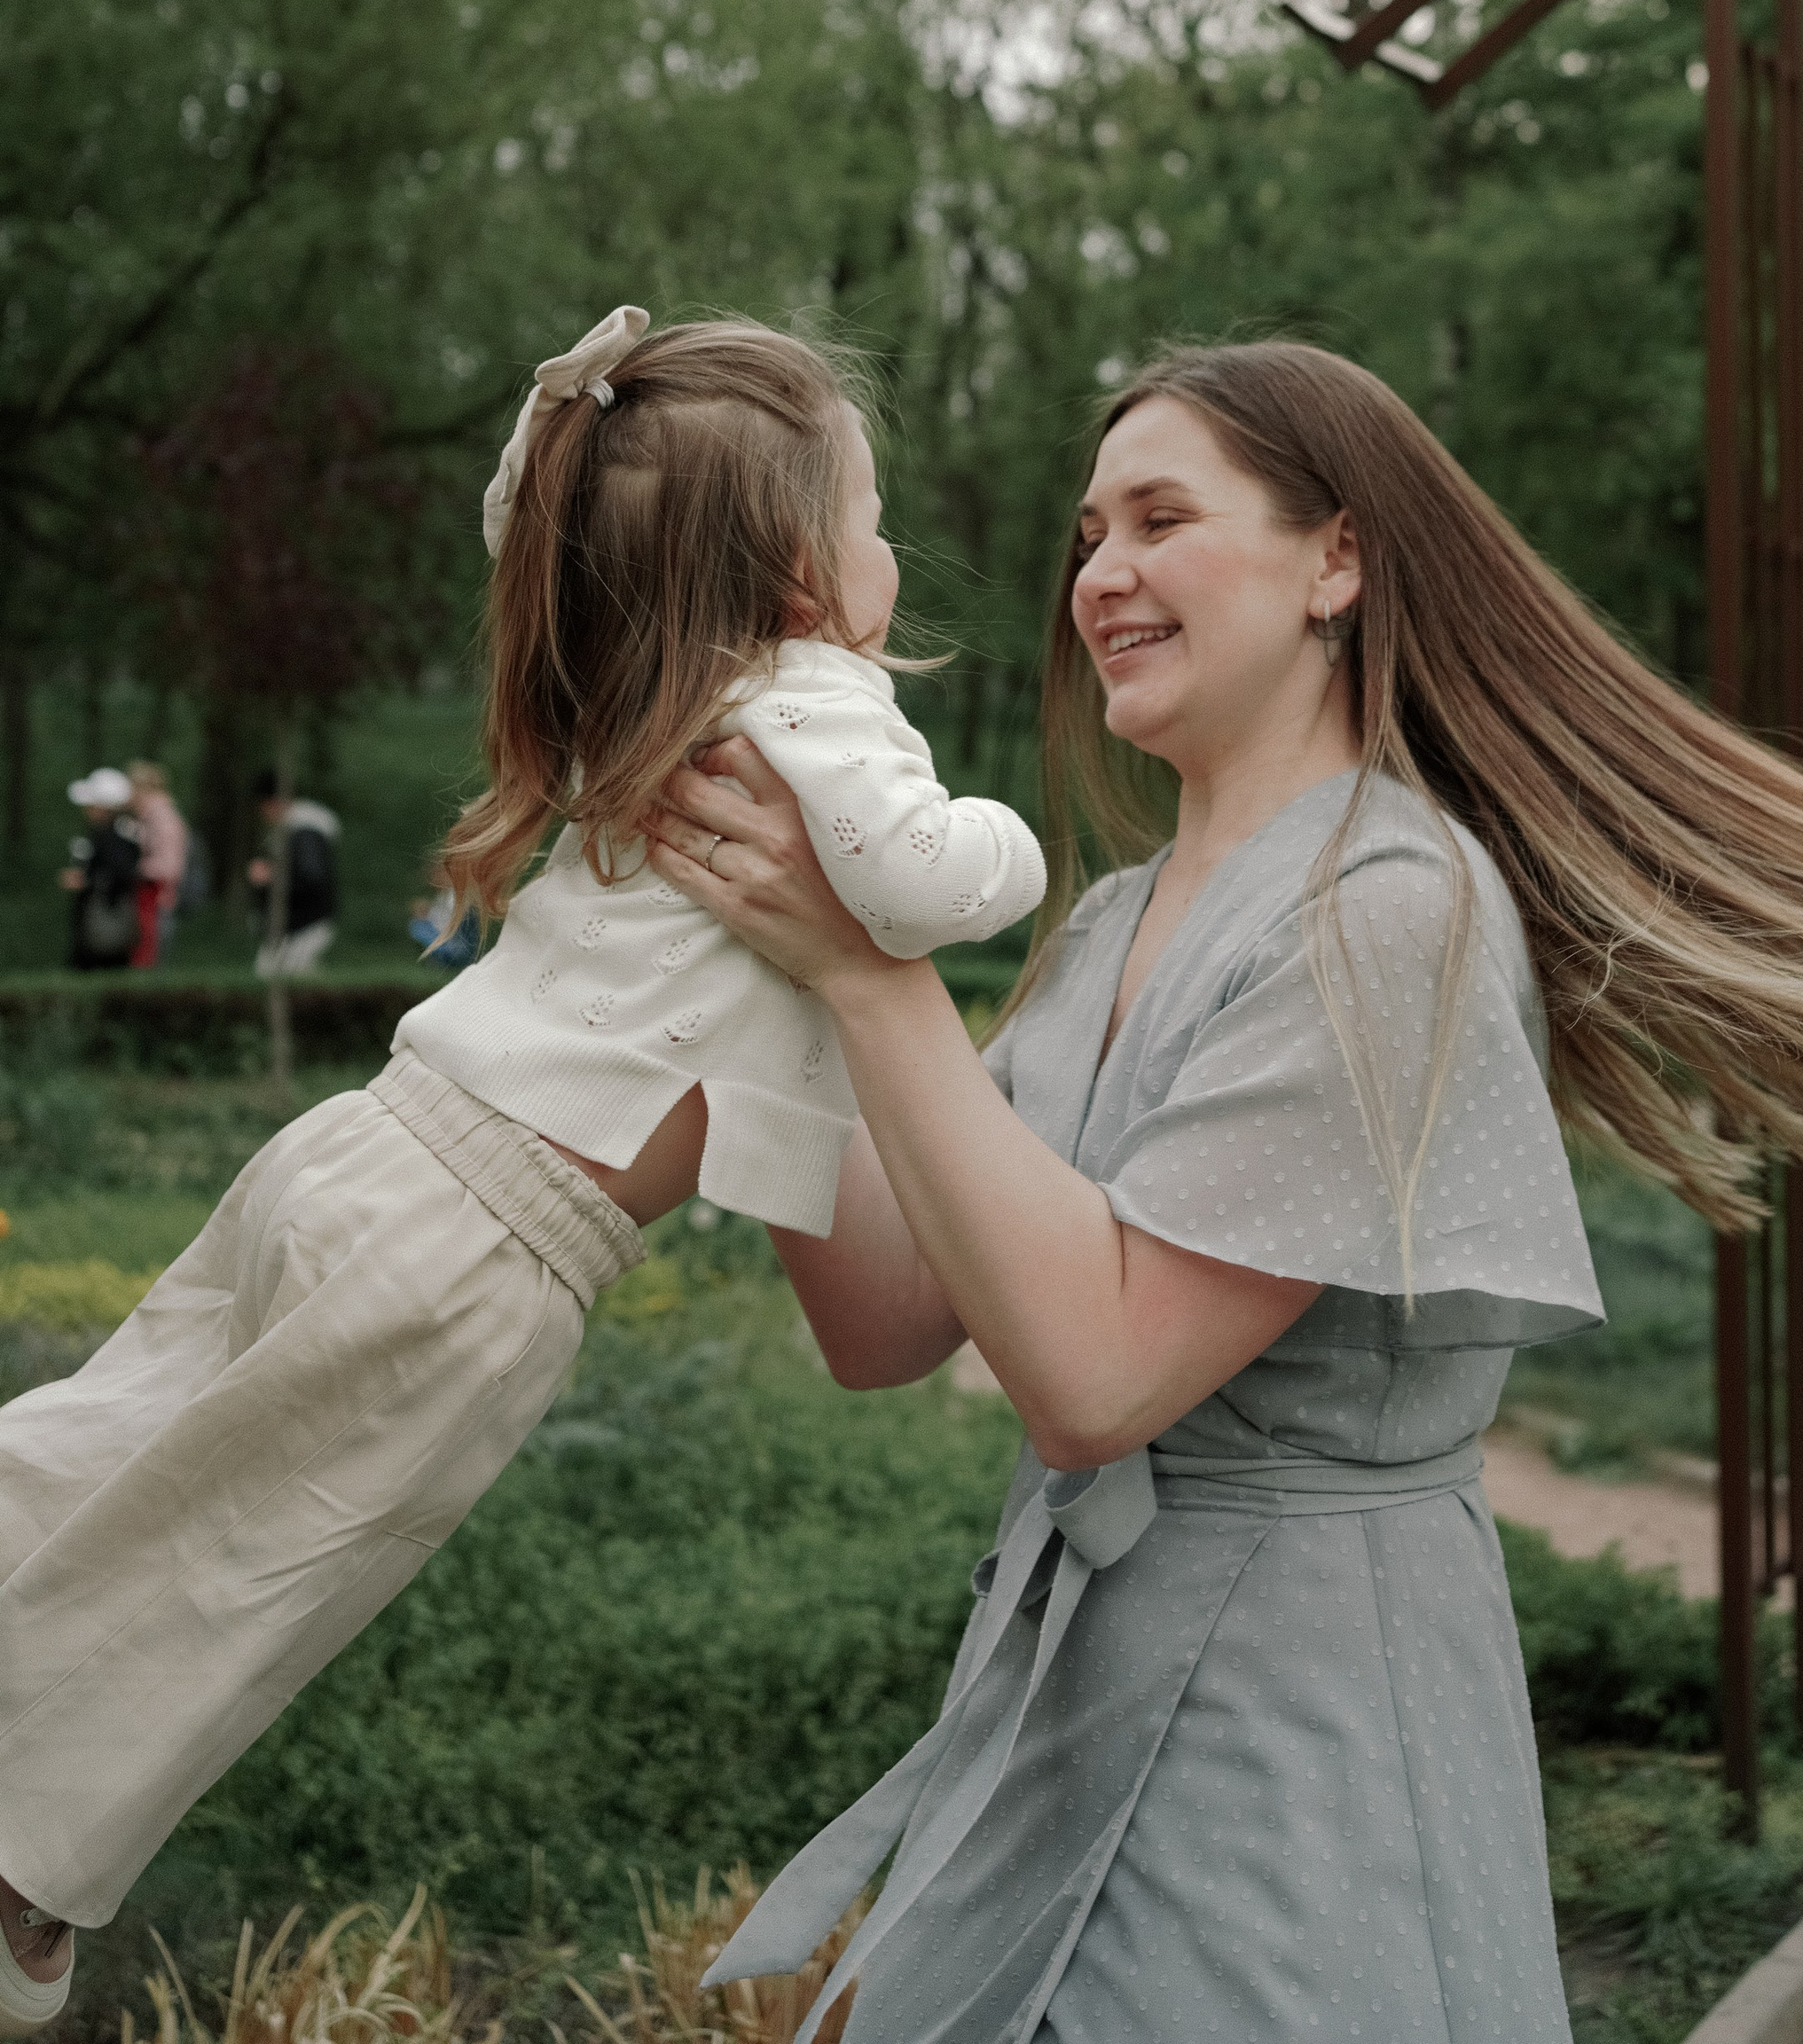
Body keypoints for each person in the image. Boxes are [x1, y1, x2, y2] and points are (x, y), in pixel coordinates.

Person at [648, 339, 1803, 2044]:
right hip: (1065, 1707)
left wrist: (869, 981)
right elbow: (883, 1319)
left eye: (1161, 520)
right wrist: (764, 973)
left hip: (1297, 1741)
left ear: (1338, 559)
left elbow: (1093, 1376)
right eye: (1088, 537)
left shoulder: (1390, 909)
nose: (1100, 576)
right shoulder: (1108, 927)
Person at [0, 309, 1045, 2037]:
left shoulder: (651, 692)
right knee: (247, 1567)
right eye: (872, 517)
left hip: (372, 1145)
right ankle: (24, 1869)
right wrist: (1023, 845)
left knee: (129, 1434)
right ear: (803, 568)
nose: (890, 552)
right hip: (483, 1251)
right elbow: (930, 877)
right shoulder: (818, 706)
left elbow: (544, 537)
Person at [246, 772, 341, 977]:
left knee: (287, 976)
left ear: (270, 803)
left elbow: (311, 878)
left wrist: (271, 876)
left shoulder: (305, 833)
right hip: (297, 922)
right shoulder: (294, 831)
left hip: (305, 922)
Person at [57, 774, 140, 974]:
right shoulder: (111, 833)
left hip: (105, 916)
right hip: (98, 916)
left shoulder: (113, 836)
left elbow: (121, 873)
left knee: (102, 966)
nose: (87, 810)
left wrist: (86, 881)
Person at [124, 764, 189, 972]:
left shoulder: (162, 818)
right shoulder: (149, 818)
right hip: (150, 899)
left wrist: (133, 869)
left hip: (157, 900)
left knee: (151, 960)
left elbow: (169, 867)